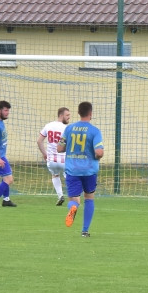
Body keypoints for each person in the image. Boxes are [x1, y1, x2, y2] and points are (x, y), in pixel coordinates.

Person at [57, 101, 105, 237]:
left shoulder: (69, 128)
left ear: (78, 113)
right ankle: (85, 231)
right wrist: (96, 155)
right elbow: (99, 152)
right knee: (89, 198)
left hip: (72, 169)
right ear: (90, 114)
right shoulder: (95, 131)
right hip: (89, 170)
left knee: (73, 199)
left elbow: (59, 148)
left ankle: (73, 207)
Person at [37, 107, 71, 206]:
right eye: (67, 115)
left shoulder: (48, 126)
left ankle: (60, 196)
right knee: (69, 177)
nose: (69, 117)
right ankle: (73, 197)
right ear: (61, 115)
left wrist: (44, 154)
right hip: (63, 159)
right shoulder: (66, 128)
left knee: (55, 175)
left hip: (51, 160)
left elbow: (39, 141)